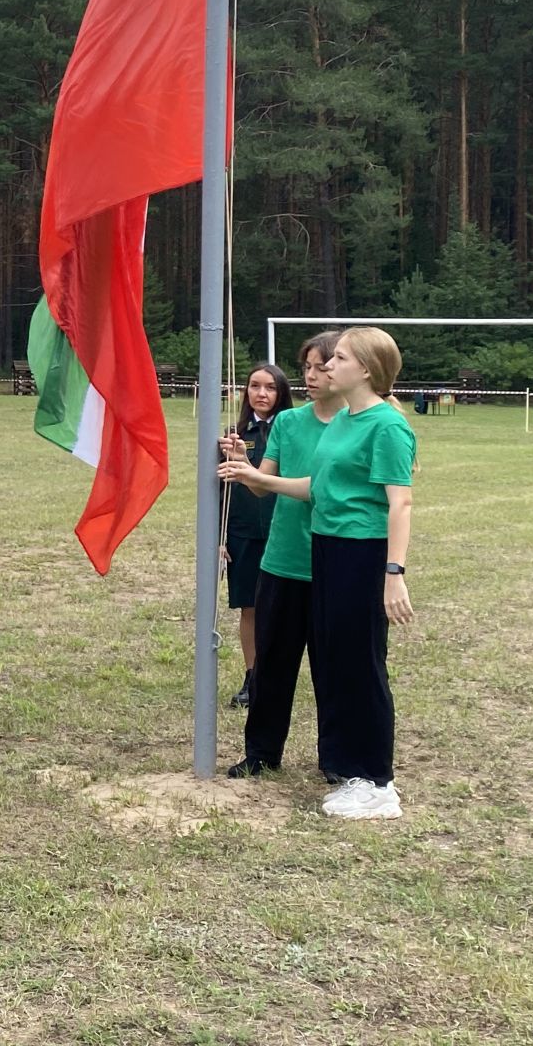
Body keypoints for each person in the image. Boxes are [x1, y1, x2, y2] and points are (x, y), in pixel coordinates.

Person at [220, 327, 416, 819]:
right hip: (328, 550)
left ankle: (374, 781)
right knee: (337, 662)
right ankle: (353, 773)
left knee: (358, 666)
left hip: (360, 554)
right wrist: (254, 475)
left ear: (365, 368)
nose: (324, 369)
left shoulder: (386, 426)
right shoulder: (343, 422)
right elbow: (318, 486)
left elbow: (401, 501)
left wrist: (393, 571)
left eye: (337, 359)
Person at [219, 332, 342, 779]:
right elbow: (260, 483)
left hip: (333, 561)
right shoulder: (289, 425)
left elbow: (321, 491)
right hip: (282, 559)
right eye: (306, 367)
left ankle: (336, 761)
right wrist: (244, 466)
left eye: (322, 367)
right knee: (272, 664)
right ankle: (261, 753)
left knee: (332, 667)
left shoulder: (357, 423)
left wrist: (261, 479)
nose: (311, 375)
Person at [221, 363, 292, 709]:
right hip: (243, 533)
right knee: (249, 607)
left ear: (281, 394)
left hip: (283, 532)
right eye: (254, 386)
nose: (261, 394)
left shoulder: (292, 431)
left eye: (270, 388)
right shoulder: (232, 435)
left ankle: (277, 675)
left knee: (282, 610)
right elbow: (218, 490)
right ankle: (253, 676)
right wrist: (218, 538)